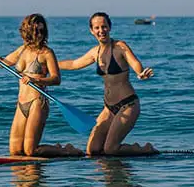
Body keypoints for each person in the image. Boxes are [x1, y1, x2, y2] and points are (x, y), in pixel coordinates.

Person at [0, 13, 77, 157]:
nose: (38, 34)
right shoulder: (22, 50)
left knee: (30, 151)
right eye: (34, 31)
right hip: (21, 103)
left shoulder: (47, 53)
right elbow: (3, 63)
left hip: (38, 102)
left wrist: (36, 80)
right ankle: (55, 148)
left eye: (41, 31)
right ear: (27, 31)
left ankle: (66, 150)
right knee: (15, 151)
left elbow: (56, 79)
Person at [58, 12, 156, 156]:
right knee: (92, 150)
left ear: (109, 28)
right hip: (108, 108)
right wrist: (50, 65)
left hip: (127, 105)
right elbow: (73, 64)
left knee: (110, 149)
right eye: (97, 28)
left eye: (104, 27)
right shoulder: (95, 53)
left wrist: (140, 73)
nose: (101, 31)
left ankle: (145, 149)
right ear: (92, 31)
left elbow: (134, 62)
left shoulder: (119, 47)